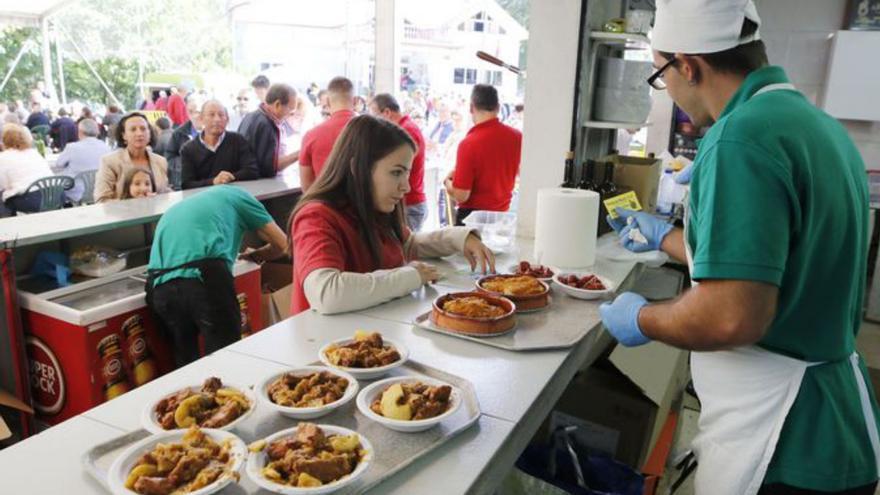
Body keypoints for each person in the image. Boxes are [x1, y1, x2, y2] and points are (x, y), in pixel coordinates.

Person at [598, 2, 879, 495]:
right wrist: (667, 238)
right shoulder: (817, 127)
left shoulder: (741, 137)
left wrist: (641, 318)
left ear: (687, 64)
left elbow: (731, 316)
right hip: (836, 426)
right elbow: (780, 264)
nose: (672, 92)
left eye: (662, 75)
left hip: (785, 438)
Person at [290, 115, 495, 315]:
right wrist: (410, 276)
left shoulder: (373, 207)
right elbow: (327, 293)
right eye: (396, 173)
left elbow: (408, 245)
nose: (406, 186)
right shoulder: (316, 217)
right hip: (324, 344)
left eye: (406, 174)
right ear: (357, 168)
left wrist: (459, 238)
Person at [147, 186, 288, 366]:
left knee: (185, 367)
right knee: (224, 360)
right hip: (203, 279)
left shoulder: (187, 205)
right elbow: (283, 243)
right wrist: (258, 254)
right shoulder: (241, 195)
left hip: (159, 287)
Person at [444, 85, 522, 225]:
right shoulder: (517, 138)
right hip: (501, 217)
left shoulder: (468, 144)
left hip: (472, 220)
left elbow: (461, 195)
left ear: (471, 108)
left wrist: (448, 182)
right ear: (498, 107)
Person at [369, 93, 428, 232]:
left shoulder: (405, 132)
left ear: (387, 112)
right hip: (408, 202)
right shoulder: (406, 128)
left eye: (374, 116)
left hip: (409, 204)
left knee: (404, 250)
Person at [180, 100, 259, 189]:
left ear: (227, 119)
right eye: (211, 115)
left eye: (221, 115)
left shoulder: (238, 140)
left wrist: (230, 177)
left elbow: (252, 171)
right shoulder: (189, 149)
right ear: (201, 119)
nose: (217, 119)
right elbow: (187, 184)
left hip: (233, 197)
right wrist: (213, 181)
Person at [94, 112, 169, 202]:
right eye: (133, 129)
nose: (139, 133)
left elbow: (165, 193)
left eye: (143, 129)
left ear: (149, 134)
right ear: (124, 135)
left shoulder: (161, 161)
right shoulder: (110, 162)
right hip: (122, 215)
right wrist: (135, 203)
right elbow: (102, 199)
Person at [298, 76, 357, 191]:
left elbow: (306, 187)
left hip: (325, 204)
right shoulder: (372, 131)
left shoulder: (311, 136)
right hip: (364, 205)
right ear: (354, 101)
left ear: (328, 101)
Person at [238, 83, 298, 178]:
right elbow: (270, 167)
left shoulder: (252, 116)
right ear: (277, 104)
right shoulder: (265, 124)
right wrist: (298, 154)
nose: (291, 114)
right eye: (290, 110)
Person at [0, 124, 54, 215]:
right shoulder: (33, 152)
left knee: (3, 197)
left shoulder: (4, 157)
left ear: (4, 140)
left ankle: (8, 225)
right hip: (55, 194)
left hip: (32, 200)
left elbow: (3, 185)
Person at [55, 118, 111, 204]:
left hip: (77, 192)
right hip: (101, 189)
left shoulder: (72, 147)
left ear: (80, 132)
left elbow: (58, 164)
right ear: (97, 132)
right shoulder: (106, 147)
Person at [164, 96, 202, 189]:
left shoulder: (215, 131)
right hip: (187, 183)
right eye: (190, 111)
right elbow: (169, 157)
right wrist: (186, 162)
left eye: (198, 111)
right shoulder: (178, 133)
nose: (195, 115)